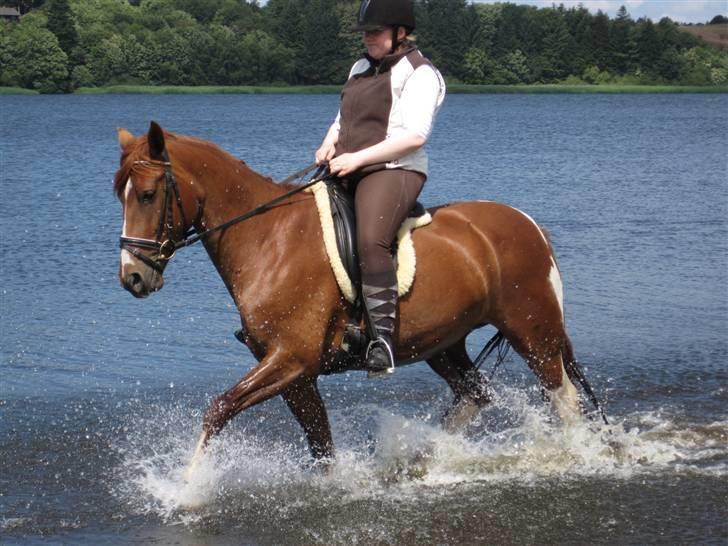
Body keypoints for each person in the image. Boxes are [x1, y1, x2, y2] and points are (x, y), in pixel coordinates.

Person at [315, 0, 446, 376]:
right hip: (347, 166)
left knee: (371, 239)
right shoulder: (360, 68)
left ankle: (382, 342)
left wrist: (356, 159)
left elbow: (415, 136)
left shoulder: (421, 73)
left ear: (400, 32)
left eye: (375, 32)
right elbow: (342, 120)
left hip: (395, 170)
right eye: (365, 32)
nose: (368, 38)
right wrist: (328, 143)